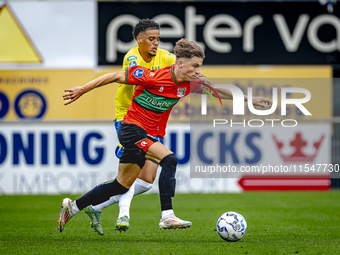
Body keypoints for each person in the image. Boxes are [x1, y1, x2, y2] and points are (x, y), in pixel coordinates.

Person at [58, 38, 272, 234]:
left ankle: (73, 207)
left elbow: (216, 90)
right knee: (169, 159)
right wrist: (82, 89)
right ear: (180, 63)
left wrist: (249, 99)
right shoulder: (153, 76)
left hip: (145, 134)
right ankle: (167, 216)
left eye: (199, 66)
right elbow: (115, 76)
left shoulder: (188, 85)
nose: (198, 71)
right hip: (131, 129)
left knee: (121, 185)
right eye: (195, 66)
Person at [83, 19, 176, 235]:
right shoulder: (132, 56)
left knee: (146, 180)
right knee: (138, 166)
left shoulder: (167, 57)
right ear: (139, 39)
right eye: (151, 39)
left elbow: (181, 68)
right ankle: (124, 214)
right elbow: (138, 79)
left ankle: (96, 206)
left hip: (150, 121)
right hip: (128, 118)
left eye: (158, 39)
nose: (155, 43)